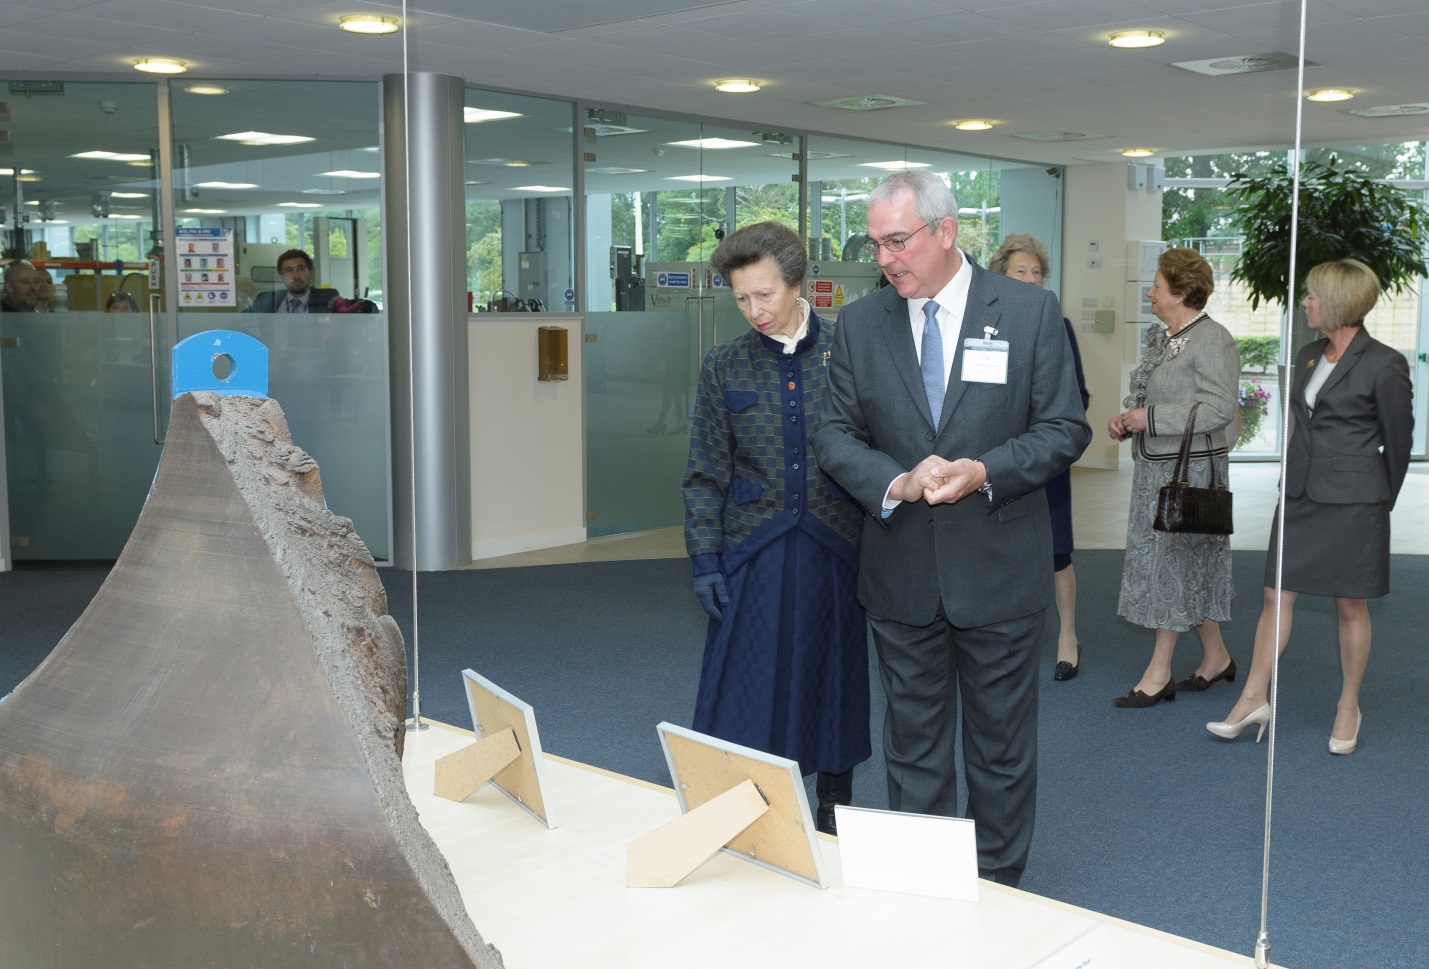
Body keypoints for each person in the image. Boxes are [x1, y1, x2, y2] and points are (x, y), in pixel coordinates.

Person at [812, 171, 1091, 886]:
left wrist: (986, 469)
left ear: (945, 230)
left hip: (999, 569)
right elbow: (836, 435)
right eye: (875, 244)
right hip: (901, 574)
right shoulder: (860, 323)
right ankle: (922, 886)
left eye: (897, 241)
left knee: (999, 749)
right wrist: (896, 481)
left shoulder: (1028, 313)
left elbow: (1063, 427)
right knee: (912, 748)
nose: (885, 259)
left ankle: (997, 885)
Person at [683, 221, 870, 836]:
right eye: (741, 298)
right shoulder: (724, 364)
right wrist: (706, 559)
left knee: (831, 676)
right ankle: (739, 807)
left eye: (764, 295)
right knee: (746, 681)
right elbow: (705, 472)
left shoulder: (852, 354)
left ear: (800, 287)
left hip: (836, 545)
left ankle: (832, 804)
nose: (753, 310)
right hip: (753, 548)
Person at [1209, 259, 1412, 753]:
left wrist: (1376, 502)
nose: (1305, 302)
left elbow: (1399, 444)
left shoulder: (1385, 363)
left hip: (1355, 502)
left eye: (1312, 295)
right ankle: (1253, 697)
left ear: (1338, 300)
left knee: (1349, 604)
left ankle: (1348, 705)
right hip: (1299, 495)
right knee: (1276, 596)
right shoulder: (1305, 355)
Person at [1110, 248, 1240, 707]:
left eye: (1157, 286)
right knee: (1189, 565)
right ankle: (1217, 658)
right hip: (1159, 471)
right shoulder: (1166, 338)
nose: (1149, 292)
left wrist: (1152, 417)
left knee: (1172, 564)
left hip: (1192, 476)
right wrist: (1129, 420)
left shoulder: (1213, 339)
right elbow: (1160, 402)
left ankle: (1159, 671)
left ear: (1181, 294)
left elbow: (1222, 408)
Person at [989, 233, 1091, 681]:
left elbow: (1077, 397)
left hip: (1043, 459)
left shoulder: (1057, 325)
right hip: (992, 460)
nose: (1031, 279)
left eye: (1037, 272)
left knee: (1056, 554)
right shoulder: (985, 325)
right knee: (995, 549)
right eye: (1021, 271)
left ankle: (1067, 636)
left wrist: (1038, 437)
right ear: (1000, 277)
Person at [243, 249, 338, 313]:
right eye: (289, 270)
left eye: (301, 269)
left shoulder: (327, 297)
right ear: (281, 276)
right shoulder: (266, 299)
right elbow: (240, 321)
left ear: (311, 272)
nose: (296, 276)